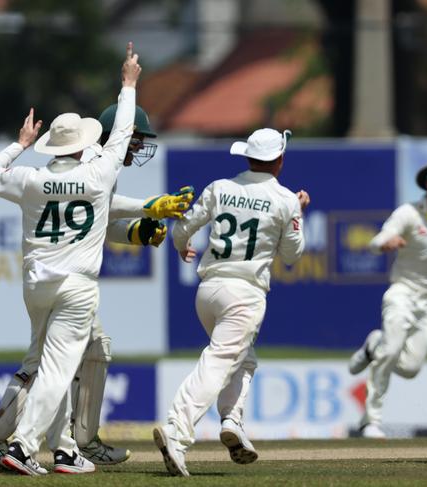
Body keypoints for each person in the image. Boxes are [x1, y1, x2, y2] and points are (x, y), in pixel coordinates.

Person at [0, 102, 194, 471]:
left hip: (41, 279)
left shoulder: (54, 170)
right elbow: (103, 203)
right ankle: (56, 443)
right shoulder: (96, 164)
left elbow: (95, 220)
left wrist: (138, 231)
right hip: (72, 280)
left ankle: (61, 443)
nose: (136, 148)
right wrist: (148, 207)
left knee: (68, 355)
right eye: (134, 139)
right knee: (56, 362)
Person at [0, 42, 141, 476]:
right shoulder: (99, 173)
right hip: (75, 286)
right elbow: (122, 132)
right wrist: (128, 83)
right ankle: (24, 446)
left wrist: (19, 144)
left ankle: (65, 450)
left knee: (53, 362)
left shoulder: (31, 179)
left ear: (51, 147)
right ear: (84, 144)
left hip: (35, 286)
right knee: (55, 369)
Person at [153, 128, 310, 477]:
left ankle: (232, 421)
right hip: (245, 294)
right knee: (221, 359)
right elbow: (291, 254)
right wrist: (298, 212)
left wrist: (181, 246)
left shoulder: (220, 187)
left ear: (248, 156)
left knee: (243, 359)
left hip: (208, 292)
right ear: (280, 160)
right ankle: (177, 431)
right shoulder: (285, 199)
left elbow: (182, 228)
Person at [348, 160, 427, 439]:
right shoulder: (408, 213)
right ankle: (371, 421)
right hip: (403, 291)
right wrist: (386, 243)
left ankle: (374, 344)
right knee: (391, 352)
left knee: (409, 368)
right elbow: (376, 241)